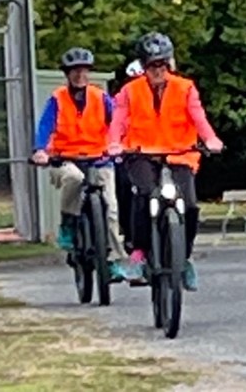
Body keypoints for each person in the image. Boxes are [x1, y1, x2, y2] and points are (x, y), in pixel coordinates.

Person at [106, 32, 225, 291]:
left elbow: (198, 118)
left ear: (169, 64)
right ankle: (139, 253)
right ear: (143, 67)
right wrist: (115, 142)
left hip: (180, 153)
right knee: (144, 194)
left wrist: (211, 139)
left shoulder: (185, 88)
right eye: (151, 65)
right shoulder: (129, 91)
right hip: (141, 154)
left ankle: (185, 258)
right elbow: (119, 121)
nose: (157, 70)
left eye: (161, 64)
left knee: (190, 206)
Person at [31, 48, 137, 279]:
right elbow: (44, 126)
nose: (80, 75)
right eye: (74, 71)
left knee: (110, 209)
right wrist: (40, 150)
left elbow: (118, 123)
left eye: (84, 70)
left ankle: (114, 261)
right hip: (66, 158)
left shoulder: (100, 98)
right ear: (67, 74)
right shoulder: (57, 99)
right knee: (74, 179)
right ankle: (68, 223)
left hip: (99, 159)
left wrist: (122, 143)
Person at [109, 59, 145, 256]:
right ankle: (131, 237)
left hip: (154, 153)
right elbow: (113, 126)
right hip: (127, 155)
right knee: (126, 187)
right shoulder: (118, 102)